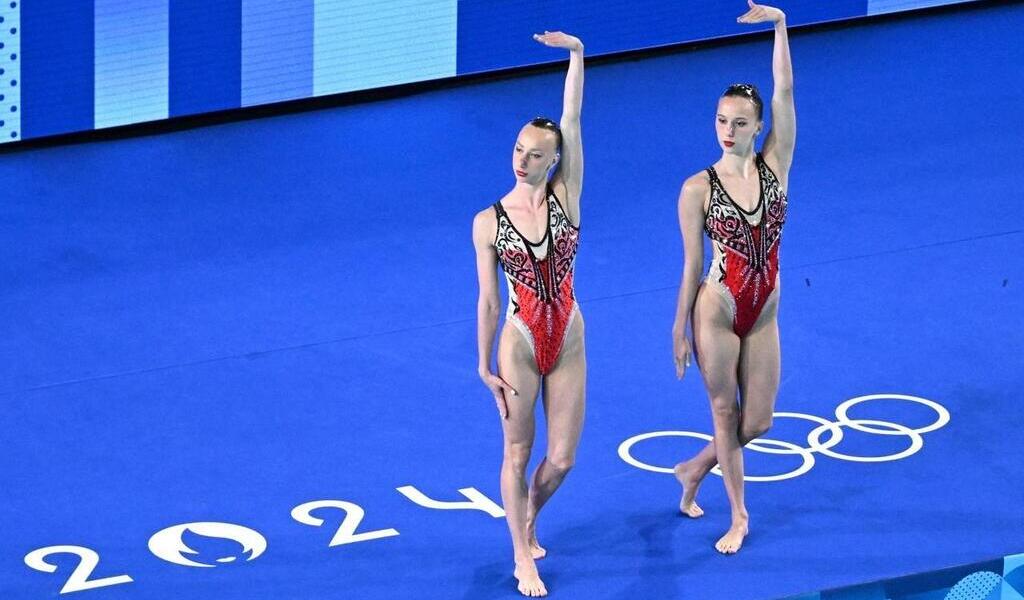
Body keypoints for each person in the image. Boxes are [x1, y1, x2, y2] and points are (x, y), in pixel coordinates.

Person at [671, 1, 795, 555]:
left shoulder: (776, 165)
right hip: (716, 307)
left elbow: (785, 92)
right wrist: (679, 328)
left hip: (763, 306)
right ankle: (739, 515)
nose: (728, 130)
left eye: (740, 122)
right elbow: (692, 265)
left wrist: (780, 27)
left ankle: (694, 467)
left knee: (760, 420)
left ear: (759, 127)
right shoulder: (697, 187)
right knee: (724, 411)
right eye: (721, 120)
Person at [471, 31, 584, 598]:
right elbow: (489, 298)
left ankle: (527, 515)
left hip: (567, 334)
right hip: (518, 338)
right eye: (518, 149)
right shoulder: (488, 220)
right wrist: (482, 362)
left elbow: (573, 115)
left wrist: (576, 56)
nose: (523, 160)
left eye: (536, 154)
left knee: (561, 458)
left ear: (556, 159)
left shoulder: (568, 196)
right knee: (517, 452)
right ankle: (521, 556)